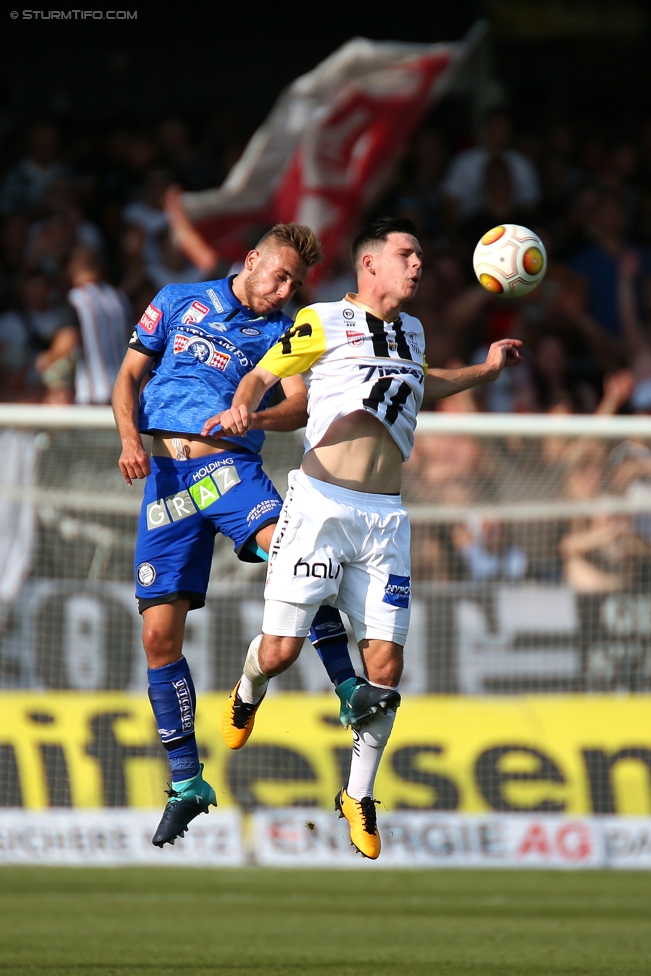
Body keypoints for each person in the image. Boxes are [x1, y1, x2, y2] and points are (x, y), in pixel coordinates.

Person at [209, 216, 522, 858]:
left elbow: (422, 381)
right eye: (408, 254)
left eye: (420, 256)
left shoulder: (411, 331)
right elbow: (264, 373)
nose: (418, 265)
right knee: (280, 654)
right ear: (370, 263)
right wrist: (243, 403)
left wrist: (484, 373)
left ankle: (357, 793)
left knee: (385, 667)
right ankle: (247, 690)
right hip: (321, 505)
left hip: (385, 519)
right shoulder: (323, 320)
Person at [111, 222, 381, 849]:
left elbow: (300, 404)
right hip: (169, 484)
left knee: (290, 557)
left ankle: (346, 685)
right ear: (252, 259)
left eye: (296, 282)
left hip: (227, 468)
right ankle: (187, 783)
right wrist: (129, 438)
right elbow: (129, 376)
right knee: (157, 636)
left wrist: (250, 414)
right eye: (279, 274)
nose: (285, 289)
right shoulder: (179, 299)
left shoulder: (285, 331)